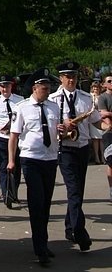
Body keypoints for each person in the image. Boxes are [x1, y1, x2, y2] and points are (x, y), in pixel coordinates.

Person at [8, 69, 59, 266]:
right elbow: (14, 135)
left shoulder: (53, 107)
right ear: (34, 88)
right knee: (36, 202)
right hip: (31, 159)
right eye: (44, 88)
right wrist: (12, 161)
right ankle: (40, 249)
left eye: (49, 88)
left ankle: (44, 243)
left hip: (51, 158)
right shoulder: (22, 108)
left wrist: (62, 130)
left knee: (46, 202)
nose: (48, 91)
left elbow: (55, 131)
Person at [49, 60, 102, 251]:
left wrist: (107, 126)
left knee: (78, 190)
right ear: (61, 78)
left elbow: (96, 121)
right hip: (65, 148)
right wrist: (61, 127)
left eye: (74, 76)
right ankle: (80, 233)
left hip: (82, 148)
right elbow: (49, 126)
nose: (71, 80)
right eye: (67, 76)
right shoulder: (53, 99)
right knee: (73, 190)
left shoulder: (86, 98)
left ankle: (69, 227)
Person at [0, 73, 23, 206]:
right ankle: (6, 195)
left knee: (17, 167)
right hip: (3, 138)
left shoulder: (20, 100)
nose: (5, 89)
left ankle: (14, 192)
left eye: (7, 86)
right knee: (4, 167)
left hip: (18, 138)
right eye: (2, 86)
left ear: (11, 86)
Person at [97, 74, 112, 200]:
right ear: (104, 84)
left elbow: (108, 113)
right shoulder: (103, 97)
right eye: (109, 81)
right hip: (109, 133)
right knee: (111, 162)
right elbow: (103, 114)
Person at [89, 80, 104, 164]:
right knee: (95, 139)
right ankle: (97, 157)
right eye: (94, 87)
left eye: (97, 87)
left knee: (101, 138)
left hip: (101, 117)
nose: (95, 89)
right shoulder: (90, 96)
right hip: (93, 118)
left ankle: (102, 156)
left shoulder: (101, 96)